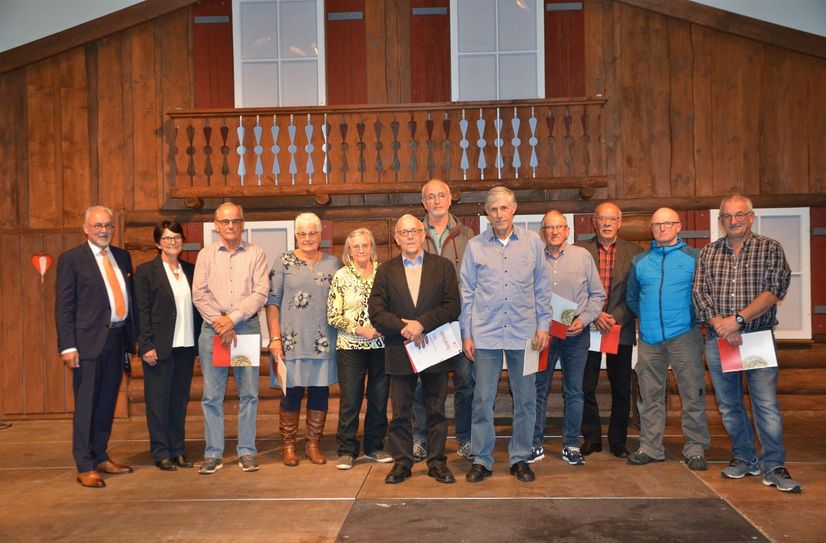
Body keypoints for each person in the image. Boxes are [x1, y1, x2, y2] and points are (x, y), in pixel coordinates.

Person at [693, 194, 801, 493]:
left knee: (764, 404)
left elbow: (775, 288)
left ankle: (774, 465)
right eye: (728, 216)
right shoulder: (708, 253)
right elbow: (700, 294)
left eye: (739, 215)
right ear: (721, 220)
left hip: (755, 338)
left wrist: (737, 321)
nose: (734, 220)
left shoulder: (769, 248)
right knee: (729, 406)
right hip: (719, 340)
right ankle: (744, 458)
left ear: (750, 216)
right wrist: (721, 325)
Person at [460, 186, 551, 483]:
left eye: (504, 208)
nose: (499, 214)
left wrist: (543, 326)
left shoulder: (533, 243)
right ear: (487, 214)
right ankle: (482, 459)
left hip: (525, 334)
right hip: (484, 335)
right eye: (493, 209)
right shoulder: (475, 246)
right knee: (482, 398)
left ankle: (520, 457)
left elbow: (542, 289)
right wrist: (467, 334)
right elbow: (467, 294)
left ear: (514, 210)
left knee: (525, 399)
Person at [368, 214, 461, 484]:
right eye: (403, 232)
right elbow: (376, 311)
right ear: (396, 238)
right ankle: (402, 462)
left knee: (436, 410)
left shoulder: (442, 267)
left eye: (414, 231)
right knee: (400, 411)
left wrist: (421, 324)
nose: (409, 236)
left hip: (434, 346)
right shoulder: (385, 270)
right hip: (400, 348)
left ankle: (436, 462)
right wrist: (403, 327)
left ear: (423, 236)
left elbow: (452, 306)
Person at [55, 205, 136, 488]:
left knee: (106, 402)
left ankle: (100, 454)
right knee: (87, 404)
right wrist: (68, 347)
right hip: (86, 344)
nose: (104, 231)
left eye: (108, 226)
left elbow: (128, 300)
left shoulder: (123, 257)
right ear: (86, 228)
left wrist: (131, 339)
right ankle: (85, 464)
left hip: (116, 340)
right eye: (98, 226)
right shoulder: (72, 260)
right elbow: (64, 307)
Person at [626, 207, 710, 471]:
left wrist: (689, 321)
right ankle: (650, 447)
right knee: (649, 395)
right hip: (650, 339)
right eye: (656, 225)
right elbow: (632, 298)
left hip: (685, 336)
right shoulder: (640, 262)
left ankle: (695, 447)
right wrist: (649, 319)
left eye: (667, 224)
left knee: (692, 392)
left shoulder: (695, 258)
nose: (661, 228)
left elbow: (704, 294)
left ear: (678, 226)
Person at [192, 202, 269, 475]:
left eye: (235, 221)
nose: (230, 226)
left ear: (243, 223)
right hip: (214, 330)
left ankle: (246, 451)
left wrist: (232, 319)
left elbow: (261, 293)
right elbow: (199, 294)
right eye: (225, 221)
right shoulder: (206, 255)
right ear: (216, 225)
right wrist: (221, 324)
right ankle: (213, 454)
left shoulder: (256, 254)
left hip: (244, 329)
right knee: (212, 396)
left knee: (248, 394)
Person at [532, 211, 605, 466]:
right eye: (549, 227)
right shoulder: (533, 257)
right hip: (541, 334)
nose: (554, 231)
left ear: (567, 231)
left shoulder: (582, 256)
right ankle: (534, 444)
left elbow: (598, 296)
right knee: (537, 389)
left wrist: (582, 320)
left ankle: (571, 444)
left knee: (575, 390)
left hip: (575, 334)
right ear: (543, 232)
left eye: (559, 227)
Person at [410, 179, 476, 462]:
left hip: (458, 323)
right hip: (422, 325)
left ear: (451, 200)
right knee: (419, 385)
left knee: (466, 382)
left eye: (441, 196)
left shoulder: (467, 235)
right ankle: (419, 438)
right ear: (423, 202)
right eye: (430, 197)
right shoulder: (413, 233)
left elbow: (474, 280)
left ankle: (465, 437)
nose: (436, 201)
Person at [267, 213, 339, 466]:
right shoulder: (283, 261)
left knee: (320, 393)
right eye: (302, 233)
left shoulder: (333, 263)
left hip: (324, 341)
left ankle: (313, 444)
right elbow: (272, 303)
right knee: (291, 394)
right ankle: (288, 445)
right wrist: (274, 338)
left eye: (312, 232)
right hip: (290, 342)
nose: (307, 237)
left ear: (321, 234)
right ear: (296, 235)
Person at [134, 221, 202, 471]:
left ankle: (178, 450)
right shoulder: (146, 271)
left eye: (176, 238)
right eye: (167, 239)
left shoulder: (190, 270)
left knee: (178, 401)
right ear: (157, 243)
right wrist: (147, 344)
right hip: (159, 348)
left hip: (185, 346)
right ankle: (161, 451)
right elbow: (141, 311)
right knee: (158, 401)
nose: (172, 243)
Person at [576, 202, 642, 458]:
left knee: (621, 388)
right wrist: (593, 315)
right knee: (585, 385)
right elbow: (574, 290)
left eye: (611, 219)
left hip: (620, 328)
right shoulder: (579, 251)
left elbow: (635, 295)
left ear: (619, 222)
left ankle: (618, 441)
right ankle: (592, 438)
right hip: (588, 327)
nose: (606, 223)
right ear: (594, 221)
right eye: (602, 219)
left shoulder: (634, 253)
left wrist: (614, 318)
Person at [327, 228, 390, 470]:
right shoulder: (341, 276)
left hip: (382, 345)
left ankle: (374, 447)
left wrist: (387, 326)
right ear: (349, 251)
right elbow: (333, 315)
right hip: (350, 347)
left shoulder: (384, 273)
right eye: (356, 246)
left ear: (372, 248)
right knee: (351, 399)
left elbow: (394, 304)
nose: (362, 250)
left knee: (379, 398)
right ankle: (347, 450)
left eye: (366, 245)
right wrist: (360, 330)